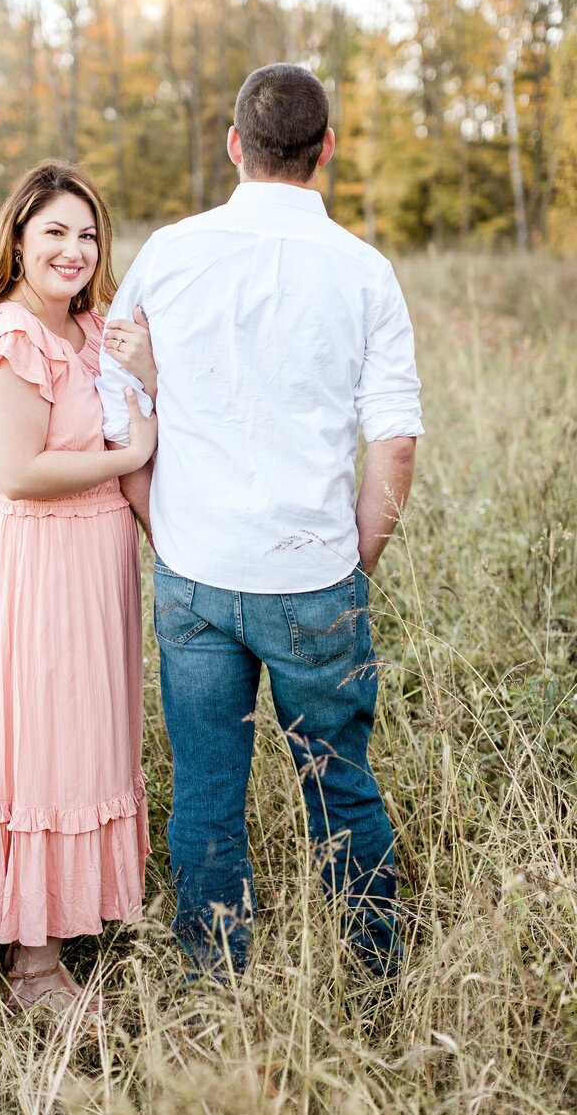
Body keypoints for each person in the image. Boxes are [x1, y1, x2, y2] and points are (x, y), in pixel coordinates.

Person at [97, 63, 423, 979]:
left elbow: (115, 393)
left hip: (193, 569)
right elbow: (392, 442)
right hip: (313, 574)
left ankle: (214, 980)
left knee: (205, 790)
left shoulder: (170, 252)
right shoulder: (365, 271)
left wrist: (154, 517)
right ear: (326, 150)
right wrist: (353, 555)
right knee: (340, 783)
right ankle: (374, 972)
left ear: (235, 145)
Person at [0, 159, 158, 1012]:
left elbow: (141, 416)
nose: (74, 249)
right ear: (19, 239)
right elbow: (22, 472)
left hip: (100, 558)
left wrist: (150, 376)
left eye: (88, 233)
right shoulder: (8, 336)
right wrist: (129, 455)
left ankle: (62, 920)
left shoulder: (96, 331)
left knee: (90, 738)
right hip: (38, 565)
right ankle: (32, 969)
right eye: (55, 232)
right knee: (42, 744)